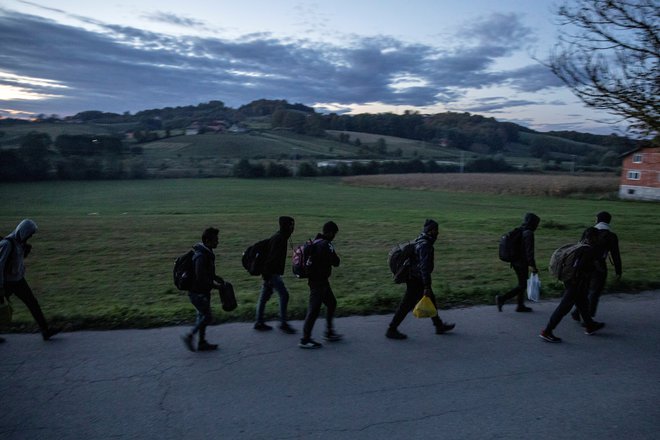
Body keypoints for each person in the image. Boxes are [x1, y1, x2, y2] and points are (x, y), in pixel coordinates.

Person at [386, 219, 455, 340]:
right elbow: (424, 267)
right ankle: (391, 329)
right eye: (436, 230)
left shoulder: (421, 239)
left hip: (415, 276)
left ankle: (438, 325)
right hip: (416, 279)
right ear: (430, 231)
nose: (437, 233)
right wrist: (427, 286)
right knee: (406, 304)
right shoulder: (425, 245)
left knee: (431, 299)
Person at [540, 227, 606, 342]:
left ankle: (590, 326)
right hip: (576, 283)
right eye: (597, 237)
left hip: (571, 281)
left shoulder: (579, 246)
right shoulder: (588, 250)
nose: (599, 239)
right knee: (563, 308)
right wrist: (594, 267)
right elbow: (580, 267)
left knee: (583, 303)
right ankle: (547, 331)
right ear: (593, 238)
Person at [0, 219, 60, 341]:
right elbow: (0, 265)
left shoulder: (20, 243)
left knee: (33, 304)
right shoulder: (8, 244)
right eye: (30, 234)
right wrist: (0, 286)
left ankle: (45, 330)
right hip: (6, 283)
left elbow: (16, 263)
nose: (30, 236)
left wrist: (24, 253)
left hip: (19, 281)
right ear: (24, 231)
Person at [571, 211, 622, 322]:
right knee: (594, 292)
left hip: (583, 264)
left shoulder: (588, 231)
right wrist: (618, 271)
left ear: (598, 220)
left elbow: (579, 247)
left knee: (584, 290)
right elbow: (615, 255)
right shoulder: (611, 236)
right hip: (599, 266)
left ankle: (577, 312)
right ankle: (588, 320)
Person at [299, 221, 342, 349]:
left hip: (317, 280)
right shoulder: (326, 245)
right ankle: (305, 339)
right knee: (314, 309)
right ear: (329, 232)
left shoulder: (315, 241)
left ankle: (329, 332)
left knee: (331, 303)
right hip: (319, 282)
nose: (334, 236)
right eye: (334, 234)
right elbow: (336, 262)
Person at [181, 227, 223, 352]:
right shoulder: (201, 256)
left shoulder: (207, 253)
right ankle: (190, 336)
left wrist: (216, 277)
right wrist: (215, 286)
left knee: (202, 316)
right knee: (207, 316)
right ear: (207, 240)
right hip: (198, 292)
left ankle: (202, 342)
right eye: (215, 240)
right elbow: (200, 277)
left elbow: (207, 272)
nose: (218, 242)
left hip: (202, 291)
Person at [254, 216, 296, 334]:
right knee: (284, 295)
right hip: (272, 273)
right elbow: (271, 259)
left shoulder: (281, 237)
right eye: (291, 225)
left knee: (264, 297)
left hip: (270, 273)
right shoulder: (279, 239)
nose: (293, 227)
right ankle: (283, 323)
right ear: (286, 226)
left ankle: (259, 322)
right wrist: (268, 276)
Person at [495, 213, 540, 313]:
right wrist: (533, 266)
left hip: (515, 261)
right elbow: (529, 252)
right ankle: (502, 298)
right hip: (521, 263)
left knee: (522, 283)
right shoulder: (529, 233)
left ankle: (520, 305)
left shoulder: (520, 230)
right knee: (523, 285)